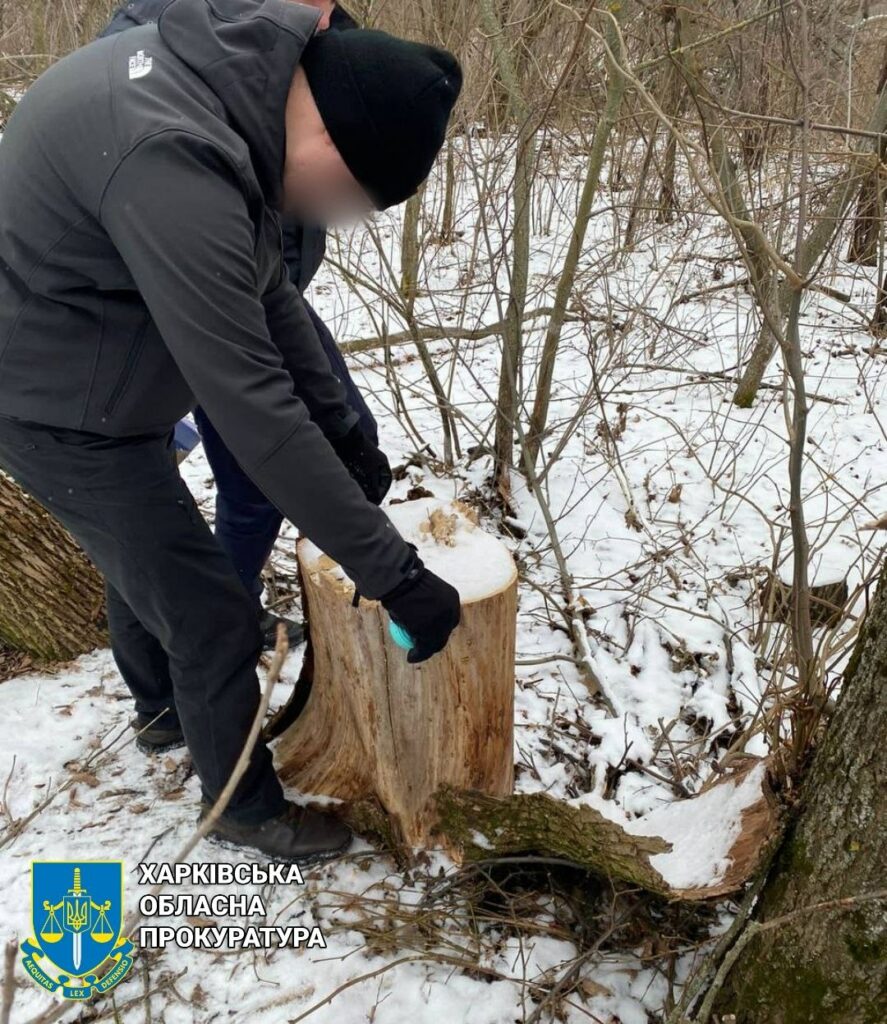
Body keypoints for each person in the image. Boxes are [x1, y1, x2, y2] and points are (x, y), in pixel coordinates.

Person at [0, 0, 462, 863]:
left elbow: (268, 293)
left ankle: (168, 709)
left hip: (103, 381)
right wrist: (397, 578)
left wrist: (342, 428)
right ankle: (243, 809)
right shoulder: (174, 161)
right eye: (352, 199)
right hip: (51, 408)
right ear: (331, 147)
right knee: (212, 611)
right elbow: (252, 406)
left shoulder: (224, 99)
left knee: (154, 561)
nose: (334, 219)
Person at [99, 0, 379, 651]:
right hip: (170, 308)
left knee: (300, 463)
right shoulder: (156, 34)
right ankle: (162, 691)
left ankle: (229, 616)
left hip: (268, 291)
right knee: (147, 508)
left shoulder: (324, 33)